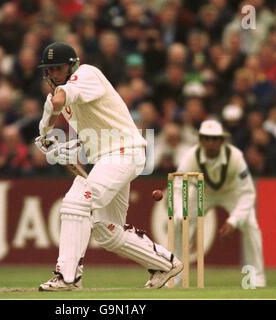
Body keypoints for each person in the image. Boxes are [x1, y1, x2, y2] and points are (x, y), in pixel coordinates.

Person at [34, 42, 183, 291]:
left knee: (77, 200)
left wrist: (52, 132)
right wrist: (51, 141)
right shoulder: (58, 95)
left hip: (124, 152)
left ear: (72, 65)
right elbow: (51, 120)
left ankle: (68, 277)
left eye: (56, 68)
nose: (51, 74)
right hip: (108, 158)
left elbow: (60, 99)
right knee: (107, 231)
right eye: (48, 70)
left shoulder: (87, 75)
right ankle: (165, 264)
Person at [175, 119, 266, 287]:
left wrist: (233, 221)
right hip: (204, 192)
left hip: (232, 193)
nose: (210, 143)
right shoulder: (191, 156)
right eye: (206, 138)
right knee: (181, 224)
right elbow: (179, 185)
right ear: (200, 139)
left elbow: (248, 193)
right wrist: (181, 212)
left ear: (222, 140)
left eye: (214, 139)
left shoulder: (235, 157)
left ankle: (256, 278)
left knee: (250, 225)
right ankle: (175, 276)